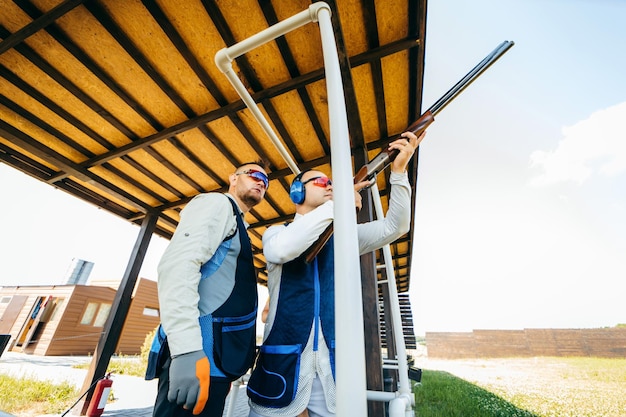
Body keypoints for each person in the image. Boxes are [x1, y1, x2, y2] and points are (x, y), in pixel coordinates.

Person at [247, 131, 423, 417]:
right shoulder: (277, 233)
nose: (331, 186)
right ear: (297, 192)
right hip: (281, 371)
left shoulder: (344, 238)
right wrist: (337, 207)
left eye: (332, 184)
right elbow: (282, 251)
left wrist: (399, 172)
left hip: (334, 376)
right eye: (321, 181)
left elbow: (396, 227)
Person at [145, 161, 269, 416]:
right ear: (233, 178)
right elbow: (178, 267)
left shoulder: (237, 222)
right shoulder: (217, 204)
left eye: (265, 181)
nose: (261, 182)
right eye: (255, 175)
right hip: (198, 360)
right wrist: (186, 351)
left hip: (216, 363)